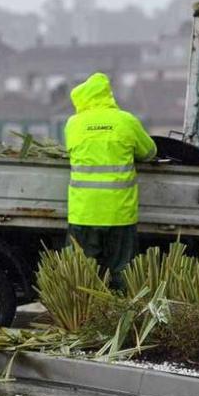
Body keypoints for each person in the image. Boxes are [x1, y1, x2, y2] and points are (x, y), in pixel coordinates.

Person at [64, 72, 157, 291]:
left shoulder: (73, 124)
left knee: (82, 276)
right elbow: (150, 152)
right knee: (121, 273)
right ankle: (119, 319)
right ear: (108, 95)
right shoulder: (126, 121)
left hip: (84, 213)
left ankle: (84, 320)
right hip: (119, 213)